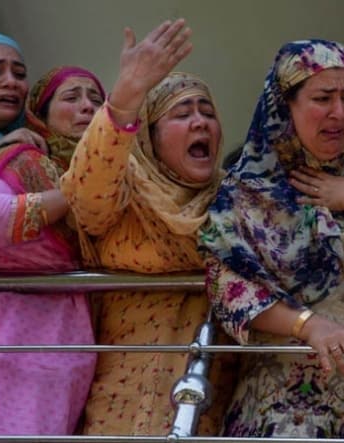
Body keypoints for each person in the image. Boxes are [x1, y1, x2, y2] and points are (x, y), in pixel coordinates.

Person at [199, 39, 344, 438]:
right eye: (323, 98)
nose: (339, 112)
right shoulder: (250, 186)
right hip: (276, 397)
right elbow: (229, 287)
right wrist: (309, 325)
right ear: (285, 105)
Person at [60, 20, 236, 436]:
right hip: (121, 399)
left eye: (207, 112)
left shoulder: (237, 202)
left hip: (211, 397)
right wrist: (124, 100)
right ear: (151, 138)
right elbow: (85, 196)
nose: (200, 123)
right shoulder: (126, 197)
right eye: (182, 113)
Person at [0, 34, 103, 434]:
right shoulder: (19, 159)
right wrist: (69, 193)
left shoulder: (34, 151)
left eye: (19, 73)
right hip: (9, 336)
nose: (11, 81)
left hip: (71, 342)